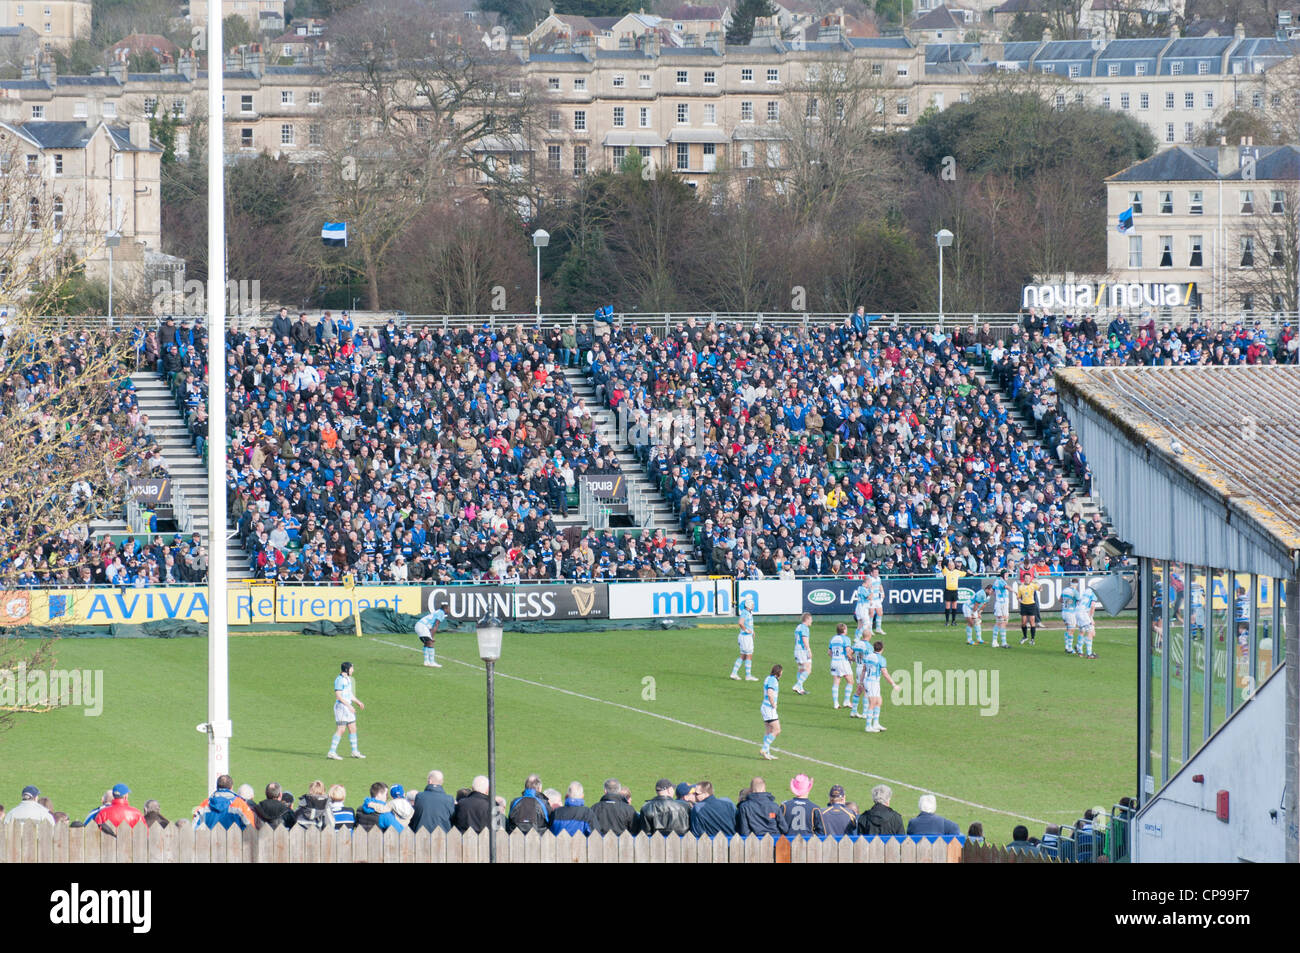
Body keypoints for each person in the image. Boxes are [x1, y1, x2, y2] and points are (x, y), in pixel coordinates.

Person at [328, 661, 365, 760]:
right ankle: (331, 752)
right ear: (347, 669)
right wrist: (349, 706)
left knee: (353, 728)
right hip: (341, 707)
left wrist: (358, 702)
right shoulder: (339, 680)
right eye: (352, 668)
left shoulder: (348, 679)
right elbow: (338, 696)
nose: (353, 670)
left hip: (348, 707)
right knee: (341, 729)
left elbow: (349, 694)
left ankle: (355, 751)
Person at [861, 640, 899, 733]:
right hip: (872, 682)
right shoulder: (881, 659)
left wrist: (861, 682)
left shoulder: (868, 656)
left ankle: (876, 723)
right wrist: (894, 684)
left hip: (870, 681)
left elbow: (864, 669)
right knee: (873, 703)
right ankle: (868, 726)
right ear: (882, 649)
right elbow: (885, 674)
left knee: (879, 701)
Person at [730, 594, 758, 681]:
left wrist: (752, 632)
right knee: (748, 655)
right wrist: (746, 630)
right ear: (749, 605)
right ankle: (747, 675)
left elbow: (747, 624)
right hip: (745, 638)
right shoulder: (745, 613)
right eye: (753, 604)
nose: (754, 606)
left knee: (743, 655)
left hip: (746, 637)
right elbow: (740, 623)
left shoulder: (747, 612)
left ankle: (734, 673)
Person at [827, 621, 853, 709]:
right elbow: (848, 651)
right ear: (844, 630)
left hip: (834, 661)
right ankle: (846, 701)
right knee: (850, 681)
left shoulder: (833, 639)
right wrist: (852, 659)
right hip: (843, 662)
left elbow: (829, 653)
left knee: (836, 682)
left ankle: (836, 703)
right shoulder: (846, 639)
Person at [760, 664, 782, 761]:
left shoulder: (768, 678)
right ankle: (764, 749)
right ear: (779, 672)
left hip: (764, 707)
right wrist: (773, 704)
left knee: (768, 731)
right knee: (777, 730)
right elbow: (770, 693)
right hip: (769, 708)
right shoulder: (773, 680)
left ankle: (767, 753)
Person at [1076, 579, 1099, 659]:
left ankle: (1080, 650)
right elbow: (1092, 606)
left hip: (1078, 611)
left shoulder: (1087, 591)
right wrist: (1091, 618)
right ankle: (1089, 654)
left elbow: (1079, 602)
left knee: (1082, 631)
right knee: (1091, 632)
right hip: (1083, 613)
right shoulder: (1094, 593)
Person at [792, 612, 812, 695]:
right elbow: (804, 639)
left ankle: (800, 689)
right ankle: (797, 685)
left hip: (796, 650)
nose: (811, 621)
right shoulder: (804, 628)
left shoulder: (798, 627)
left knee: (801, 669)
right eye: (810, 619)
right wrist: (808, 650)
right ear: (807, 619)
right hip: (802, 651)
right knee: (808, 669)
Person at [1017, 573, 1040, 645]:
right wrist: (1019, 600)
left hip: (1031, 604)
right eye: (1026, 578)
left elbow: (1040, 589)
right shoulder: (1021, 587)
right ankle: (1025, 636)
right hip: (1024, 605)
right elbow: (1018, 596)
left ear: (1030, 579)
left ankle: (1032, 639)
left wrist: (1038, 584)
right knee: (1023, 622)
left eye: (1028, 578)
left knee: (1032, 622)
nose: (1027, 579)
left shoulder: (1033, 585)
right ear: (1024, 579)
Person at [991, 570, 1011, 648]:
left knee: (1004, 622)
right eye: (1006, 574)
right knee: (1000, 622)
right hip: (1001, 604)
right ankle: (996, 641)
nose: (1007, 576)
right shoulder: (1001, 581)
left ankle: (1002, 642)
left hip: (1002, 603)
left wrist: (996, 596)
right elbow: (1006, 587)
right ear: (1002, 575)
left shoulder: (997, 581)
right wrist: (1015, 591)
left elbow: (992, 591)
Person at [942, 560, 965, 626]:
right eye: (950, 565)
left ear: (954, 566)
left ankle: (953, 621)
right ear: (948, 566)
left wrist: (972, 573)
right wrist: (944, 556)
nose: (951, 566)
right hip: (948, 591)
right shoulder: (945, 571)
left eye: (952, 565)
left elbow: (965, 573)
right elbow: (942, 564)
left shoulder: (957, 572)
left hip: (955, 591)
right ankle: (947, 621)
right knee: (947, 607)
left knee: (954, 606)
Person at [1060, 574, 1079, 653]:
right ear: (1076, 584)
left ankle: (1066, 646)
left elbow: (1060, 600)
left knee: (1068, 629)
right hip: (1070, 612)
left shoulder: (1065, 590)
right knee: (1071, 630)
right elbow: (1078, 602)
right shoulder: (1075, 592)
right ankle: (1070, 648)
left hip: (1064, 611)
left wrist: (1066, 601)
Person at [867, 566, 886, 636]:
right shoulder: (869, 579)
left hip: (877, 599)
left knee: (880, 613)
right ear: (871, 573)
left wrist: (882, 593)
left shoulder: (878, 578)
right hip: (871, 599)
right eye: (875, 572)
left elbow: (880, 585)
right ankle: (870, 630)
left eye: (877, 572)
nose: (876, 574)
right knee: (871, 614)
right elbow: (868, 587)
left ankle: (878, 628)